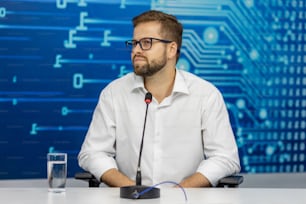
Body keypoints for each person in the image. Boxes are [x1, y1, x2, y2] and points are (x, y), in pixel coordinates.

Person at [78, 10, 240, 188]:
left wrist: (182, 190)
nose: (136, 50)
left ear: (171, 49)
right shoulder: (114, 93)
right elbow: (92, 153)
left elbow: (225, 158)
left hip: (187, 199)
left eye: (146, 43)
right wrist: (129, 188)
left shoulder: (206, 95)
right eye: (134, 43)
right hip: (129, 199)